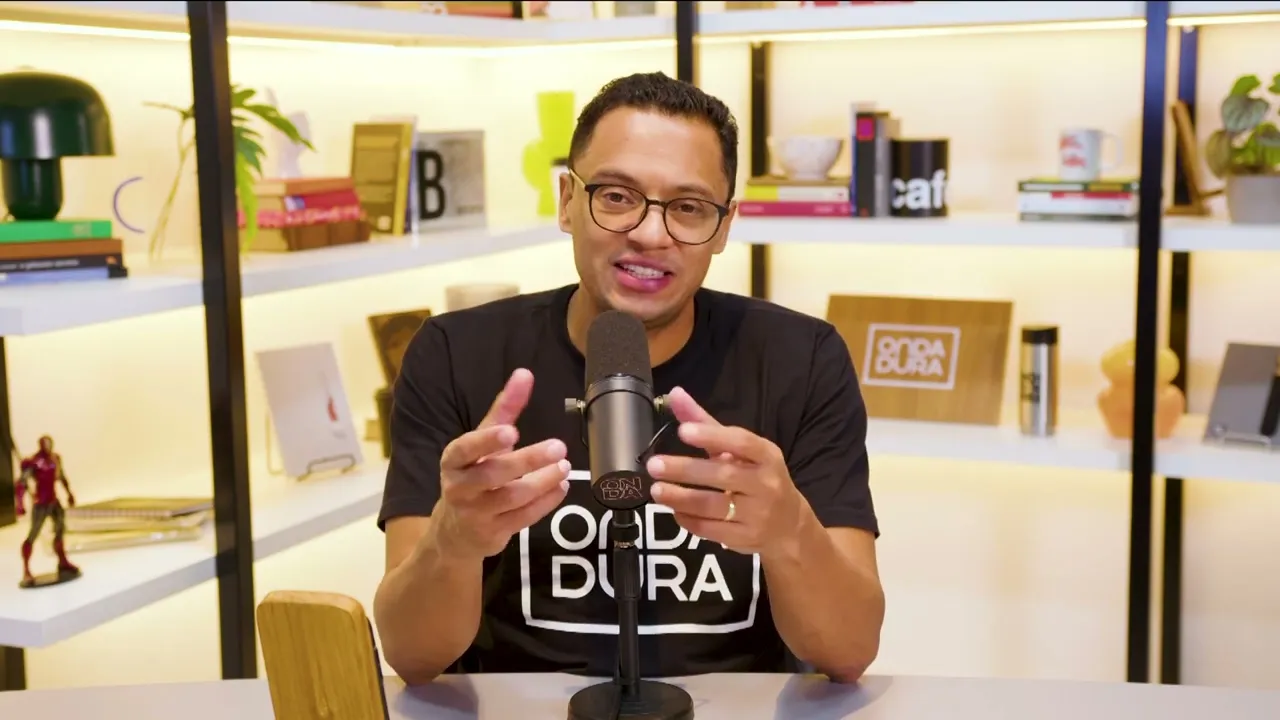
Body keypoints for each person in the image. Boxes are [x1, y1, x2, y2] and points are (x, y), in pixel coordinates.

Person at [373, 72, 885, 685]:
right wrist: (452, 543)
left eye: (689, 208)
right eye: (617, 196)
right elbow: (410, 655)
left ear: (724, 227)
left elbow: (850, 652)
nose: (649, 233)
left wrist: (789, 531)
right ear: (568, 200)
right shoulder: (455, 354)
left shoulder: (801, 359)